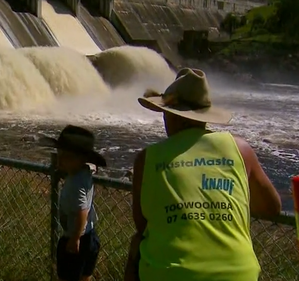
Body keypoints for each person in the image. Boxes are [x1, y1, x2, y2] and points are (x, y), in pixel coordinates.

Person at [124, 68, 282, 281]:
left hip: (170, 273)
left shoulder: (147, 158)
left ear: (173, 116)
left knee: (137, 245)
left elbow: (143, 225)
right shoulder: (241, 150)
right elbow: (272, 207)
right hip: (237, 274)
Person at [39, 125, 107, 281]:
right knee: (84, 276)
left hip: (76, 239)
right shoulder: (86, 171)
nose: (61, 159)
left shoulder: (75, 184)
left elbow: (81, 211)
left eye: (67, 157)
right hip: (90, 236)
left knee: (67, 276)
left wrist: (75, 238)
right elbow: (92, 167)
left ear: (81, 160)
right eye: (60, 154)